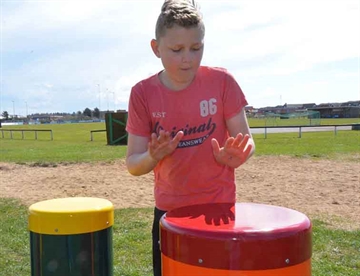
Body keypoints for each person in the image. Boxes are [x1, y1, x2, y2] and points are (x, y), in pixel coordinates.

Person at [125, 0, 255, 275]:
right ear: (155, 48)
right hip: (170, 213)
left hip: (219, 209)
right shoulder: (142, 94)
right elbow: (133, 164)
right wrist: (153, 155)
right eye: (176, 50)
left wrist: (239, 154)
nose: (188, 58)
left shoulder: (223, 82)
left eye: (197, 48)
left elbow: (246, 140)